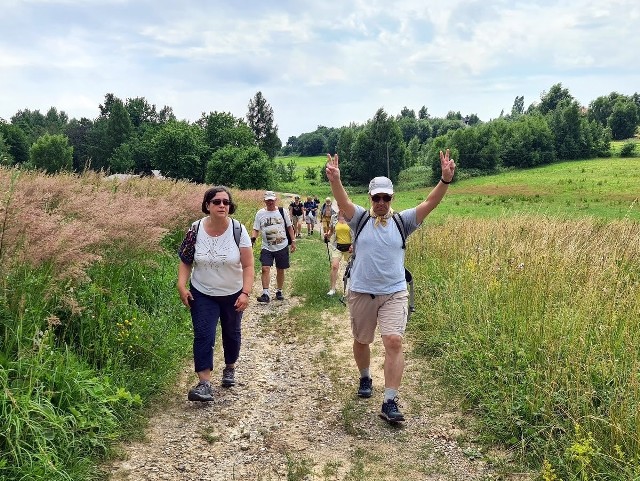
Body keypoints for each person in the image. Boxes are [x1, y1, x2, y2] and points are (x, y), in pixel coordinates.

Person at [325, 150, 456, 423]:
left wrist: (444, 180)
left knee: (394, 341)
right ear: (370, 198)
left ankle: (389, 400)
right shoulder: (359, 218)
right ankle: (365, 377)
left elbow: (429, 203)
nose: (382, 202)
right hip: (362, 290)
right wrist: (335, 180)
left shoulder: (402, 221)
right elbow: (343, 200)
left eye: (386, 197)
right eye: (377, 197)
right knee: (362, 340)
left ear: (392, 198)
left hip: (395, 292)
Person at [177, 186, 254, 402]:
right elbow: (185, 260)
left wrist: (246, 293)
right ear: (207, 205)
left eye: (226, 202)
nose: (222, 205)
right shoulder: (195, 229)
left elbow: (248, 266)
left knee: (231, 333)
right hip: (202, 292)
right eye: (217, 202)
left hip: (232, 293)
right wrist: (182, 286)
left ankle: (229, 367)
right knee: (203, 335)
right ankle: (204, 384)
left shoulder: (239, 230)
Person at [252, 191, 297, 303]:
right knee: (265, 268)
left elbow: (290, 227)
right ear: (265, 201)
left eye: (272, 200)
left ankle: (279, 291)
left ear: (275, 200)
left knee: (280, 269)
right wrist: (252, 240)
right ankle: (266, 293)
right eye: (268, 200)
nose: (270, 202)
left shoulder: (282, 212)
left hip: (282, 246)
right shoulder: (260, 213)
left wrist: (293, 241)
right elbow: (256, 229)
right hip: (266, 247)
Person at [324, 210, 352, 296]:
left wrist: (354, 244)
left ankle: (352, 289)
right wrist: (327, 235)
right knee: (334, 266)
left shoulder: (351, 217)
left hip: (350, 247)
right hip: (338, 246)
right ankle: (332, 289)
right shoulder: (334, 217)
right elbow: (332, 230)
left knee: (352, 269)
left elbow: (356, 232)